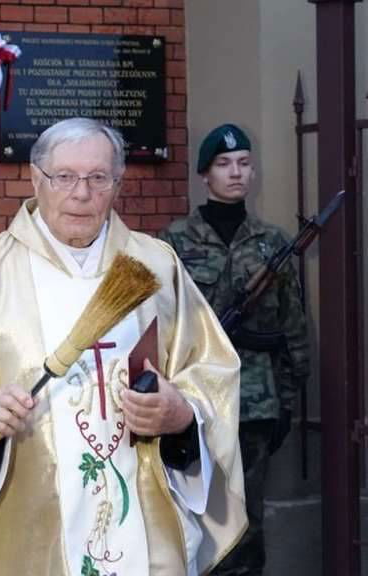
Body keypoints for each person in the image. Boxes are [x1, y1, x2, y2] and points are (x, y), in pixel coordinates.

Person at [0, 117, 246, 576]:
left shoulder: (155, 266)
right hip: (20, 520)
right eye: (65, 177)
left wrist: (181, 414)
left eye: (98, 178)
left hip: (141, 513)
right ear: (38, 179)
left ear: (117, 184)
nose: (82, 193)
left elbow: (209, 370)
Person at [160, 123, 310, 576]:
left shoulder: (272, 242)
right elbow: (161, 326)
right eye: (224, 164)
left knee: (246, 523)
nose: (236, 173)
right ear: (205, 174)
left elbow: (292, 328)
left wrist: (286, 401)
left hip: (254, 405)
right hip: (193, 403)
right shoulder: (175, 243)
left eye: (244, 163)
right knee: (190, 515)